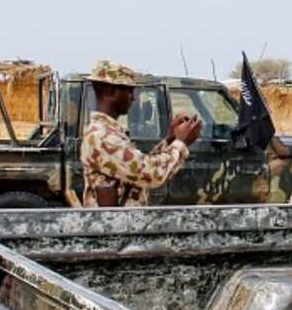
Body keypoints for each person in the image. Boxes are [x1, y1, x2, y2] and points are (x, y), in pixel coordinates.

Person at [80, 61, 202, 207]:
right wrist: (181, 143)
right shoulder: (102, 137)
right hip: (115, 227)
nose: (133, 98)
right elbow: (151, 174)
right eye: (129, 91)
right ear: (110, 91)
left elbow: (138, 165)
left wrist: (169, 140)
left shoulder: (106, 132)